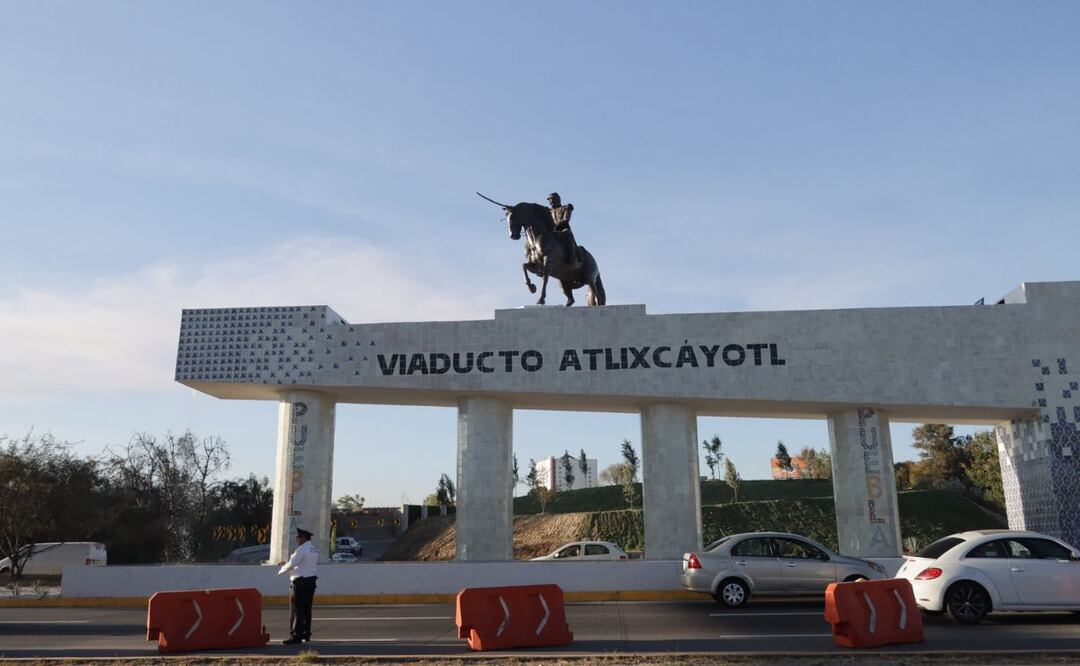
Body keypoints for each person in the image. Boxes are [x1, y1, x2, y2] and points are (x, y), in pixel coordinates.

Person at [277, 527, 318, 644]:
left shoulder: (301, 550)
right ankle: (306, 634)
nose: (297, 539)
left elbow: (292, 564)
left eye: (298, 537)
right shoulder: (313, 549)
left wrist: (281, 569)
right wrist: (288, 564)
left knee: (296, 611)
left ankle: (295, 636)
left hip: (299, 583)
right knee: (306, 610)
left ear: (304, 538)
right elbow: (302, 564)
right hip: (310, 582)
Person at [547, 192, 581, 268]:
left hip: (562, 230)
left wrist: (555, 225)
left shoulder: (566, 208)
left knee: (568, 233)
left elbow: (566, 220)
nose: (550, 202)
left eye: (552, 200)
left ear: (557, 200)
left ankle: (571, 257)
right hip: (552, 231)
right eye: (549, 200)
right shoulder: (548, 211)